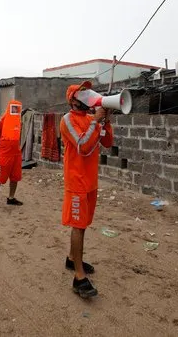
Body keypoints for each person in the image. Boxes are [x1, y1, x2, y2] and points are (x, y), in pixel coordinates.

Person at [60, 81, 113, 298]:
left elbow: (107, 143)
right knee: (78, 225)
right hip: (77, 182)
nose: (87, 96)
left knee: (84, 223)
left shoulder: (91, 119)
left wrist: (105, 122)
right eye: (82, 93)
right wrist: (97, 121)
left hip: (90, 181)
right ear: (73, 100)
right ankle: (79, 277)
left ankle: (73, 259)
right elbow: (82, 145)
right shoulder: (67, 120)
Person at [0, 99, 24, 211]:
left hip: (16, 154)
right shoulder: (1, 122)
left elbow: (19, 137)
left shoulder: (18, 122)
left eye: (17, 109)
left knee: (15, 177)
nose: (16, 111)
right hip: (5, 154)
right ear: (9, 109)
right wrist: (1, 153)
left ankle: (11, 198)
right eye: (14, 108)